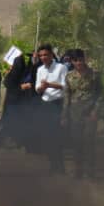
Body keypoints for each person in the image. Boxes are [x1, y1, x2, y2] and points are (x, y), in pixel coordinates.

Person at [61, 49, 102, 179]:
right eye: (76, 60)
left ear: (85, 59)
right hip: (74, 112)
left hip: (90, 111)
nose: (79, 62)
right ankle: (78, 170)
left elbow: (99, 94)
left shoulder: (94, 75)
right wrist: (64, 115)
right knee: (76, 141)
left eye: (81, 59)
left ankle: (90, 171)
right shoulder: (69, 76)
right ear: (72, 61)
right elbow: (66, 96)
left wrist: (96, 111)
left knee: (89, 141)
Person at [33, 43, 68, 174]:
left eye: (46, 55)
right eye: (41, 55)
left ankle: (61, 165)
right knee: (47, 136)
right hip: (45, 104)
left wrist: (49, 85)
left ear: (51, 54)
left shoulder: (61, 67)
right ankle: (53, 165)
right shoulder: (40, 70)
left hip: (57, 103)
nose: (43, 57)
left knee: (56, 135)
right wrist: (41, 88)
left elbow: (65, 86)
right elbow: (37, 88)